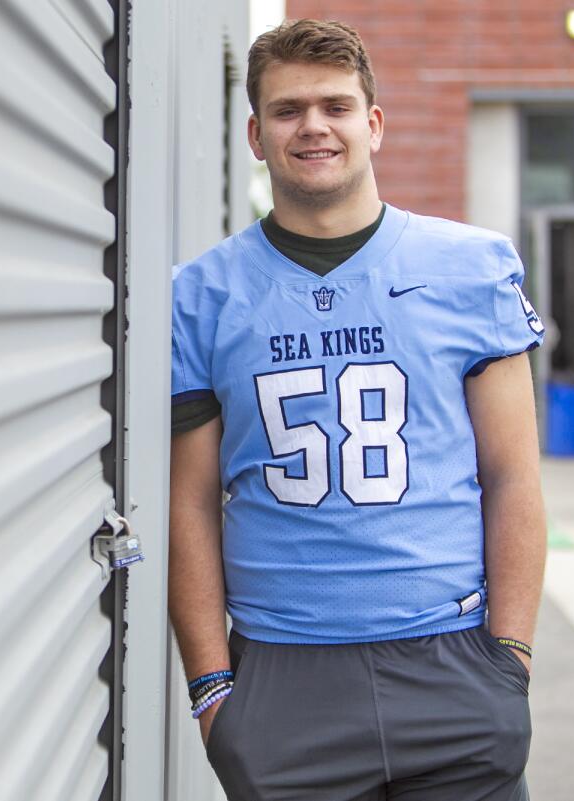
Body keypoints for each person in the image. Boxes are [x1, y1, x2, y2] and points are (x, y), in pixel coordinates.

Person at [169, 18, 547, 801]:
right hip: (284, 671)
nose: (313, 126)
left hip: (452, 661)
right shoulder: (199, 296)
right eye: (288, 109)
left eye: (336, 106)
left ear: (373, 125)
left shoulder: (469, 267)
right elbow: (190, 501)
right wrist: (212, 690)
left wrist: (510, 657)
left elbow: (512, 475)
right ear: (255, 133)